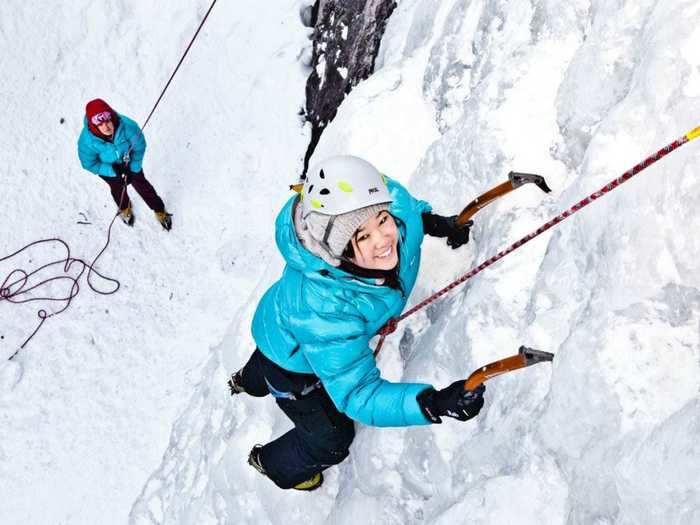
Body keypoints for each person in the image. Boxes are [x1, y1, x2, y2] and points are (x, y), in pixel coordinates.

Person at [228, 155, 485, 491]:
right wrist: (431, 404)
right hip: (291, 361)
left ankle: (246, 381)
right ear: (336, 251)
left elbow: (407, 210)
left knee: (264, 366)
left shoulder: (388, 205)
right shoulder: (323, 309)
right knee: (331, 439)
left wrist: (435, 223)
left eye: (382, 219)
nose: (383, 239)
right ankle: (272, 464)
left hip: (280, 324)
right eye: (362, 237)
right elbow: (359, 394)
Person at [77, 98, 172, 230]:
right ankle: (124, 208)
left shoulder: (128, 127)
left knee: (143, 186)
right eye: (100, 124)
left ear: (111, 117)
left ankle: (159, 209)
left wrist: (133, 168)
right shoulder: (87, 141)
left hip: (130, 163)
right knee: (117, 189)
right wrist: (111, 171)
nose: (106, 127)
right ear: (94, 126)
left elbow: (139, 147)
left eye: (107, 120)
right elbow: (89, 163)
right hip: (109, 169)